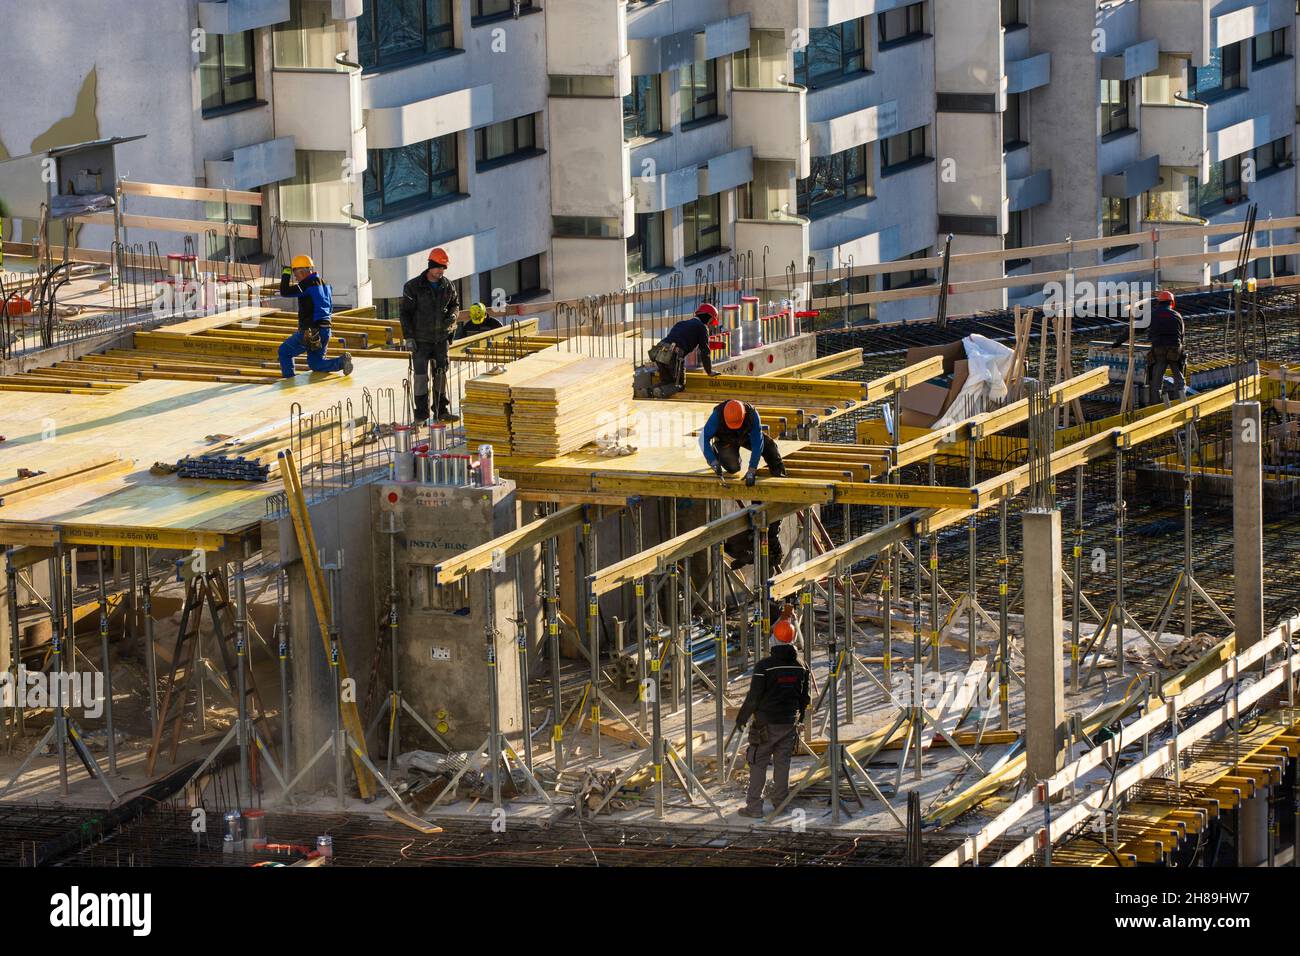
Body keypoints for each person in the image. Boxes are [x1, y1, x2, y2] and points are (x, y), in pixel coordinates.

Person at [735, 619, 810, 818]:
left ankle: (754, 808)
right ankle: (780, 805)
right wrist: (798, 718)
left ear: (774, 639)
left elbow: (753, 698)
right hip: (789, 723)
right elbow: (805, 698)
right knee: (782, 764)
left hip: (765, 724)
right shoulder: (801, 666)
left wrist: (741, 719)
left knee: (758, 763)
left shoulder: (764, 666)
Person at [400, 247, 460, 421]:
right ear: (430, 266)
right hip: (420, 340)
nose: (441, 271)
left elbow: (455, 304)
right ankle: (421, 414)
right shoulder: (413, 287)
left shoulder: (447, 285)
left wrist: (453, 316)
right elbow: (405, 313)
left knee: (440, 375)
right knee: (420, 378)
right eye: (438, 267)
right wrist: (409, 337)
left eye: (443, 268)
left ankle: (441, 411)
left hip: (441, 338)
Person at [277, 255, 352, 378]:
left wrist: (286, 272)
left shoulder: (306, 284)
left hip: (311, 331)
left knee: (284, 352)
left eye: (295, 274)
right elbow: (330, 307)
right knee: (315, 363)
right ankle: (341, 362)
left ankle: (288, 381)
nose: (295, 278)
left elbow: (284, 292)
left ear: (302, 272)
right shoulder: (326, 284)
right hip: (325, 329)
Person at [1112, 289, 1186, 403]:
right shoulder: (1177, 315)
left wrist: (1118, 342)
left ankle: (1156, 406)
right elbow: (1182, 336)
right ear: (1172, 303)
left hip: (1159, 349)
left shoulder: (1152, 314)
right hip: (1174, 349)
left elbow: (1134, 328)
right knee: (1179, 378)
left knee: (1156, 380)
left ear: (1159, 302)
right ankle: (1180, 402)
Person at [700, 399, 787, 487]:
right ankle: (716, 453)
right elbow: (703, 439)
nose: (734, 427)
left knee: (770, 447)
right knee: (733, 468)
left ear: (744, 414)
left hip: (745, 436)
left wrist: (752, 469)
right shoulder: (717, 416)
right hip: (726, 439)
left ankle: (780, 478)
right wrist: (712, 461)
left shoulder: (752, 415)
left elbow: (757, 444)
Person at [648, 303, 723, 396]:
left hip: (659, 351)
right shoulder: (702, 328)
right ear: (709, 317)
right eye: (711, 321)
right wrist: (709, 371)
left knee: (667, 381)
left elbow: (675, 339)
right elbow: (705, 351)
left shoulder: (681, 324)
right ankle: (660, 392)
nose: (710, 324)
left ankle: (648, 391)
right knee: (679, 385)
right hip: (674, 354)